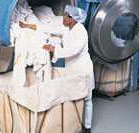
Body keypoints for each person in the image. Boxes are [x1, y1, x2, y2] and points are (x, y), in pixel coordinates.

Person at [19, 5, 94, 133]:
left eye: (66, 15)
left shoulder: (81, 31)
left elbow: (73, 51)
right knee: (72, 95)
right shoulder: (67, 29)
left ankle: (87, 127)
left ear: (73, 19)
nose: (63, 18)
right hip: (71, 68)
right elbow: (49, 28)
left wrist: (54, 49)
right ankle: (74, 124)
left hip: (82, 67)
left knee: (86, 98)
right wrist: (28, 26)